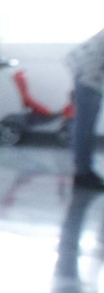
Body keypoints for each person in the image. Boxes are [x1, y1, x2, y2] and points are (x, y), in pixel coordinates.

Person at [67, 27, 104, 189]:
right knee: (85, 127)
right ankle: (83, 173)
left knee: (84, 126)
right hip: (89, 76)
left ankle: (83, 171)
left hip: (86, 72)